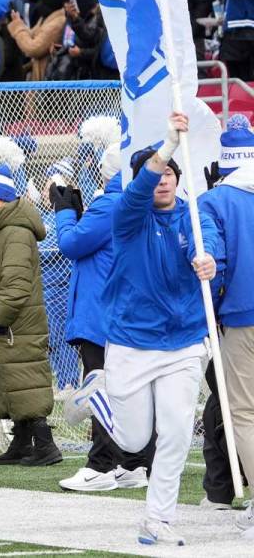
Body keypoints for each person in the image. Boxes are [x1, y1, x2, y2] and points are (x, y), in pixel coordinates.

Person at [65, 111, 220, 546]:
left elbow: (210, 241)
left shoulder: (194, 215)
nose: (166, 178)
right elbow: (137, 194)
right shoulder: (127, 217)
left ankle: (158, 518)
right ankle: (99, 389)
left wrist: (210, 262)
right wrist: (167, 145)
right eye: (158, 173)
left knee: (174, 433)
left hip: (185, 342)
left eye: (172, 172)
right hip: (132, 340)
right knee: (133, 442)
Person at [51, 147, 151, 491]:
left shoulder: (112, 202)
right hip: (124, 308)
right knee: (129, 388)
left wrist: (64, 213)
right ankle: (135, 463)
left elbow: (72, 243)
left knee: (102, 387)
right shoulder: (136, 199)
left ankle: (102, 465)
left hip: (102, 310)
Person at [0, 164, 62, 467]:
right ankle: (22, 443)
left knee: (24, 381)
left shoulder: (15, 232)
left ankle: (46, 446)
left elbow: (17, 282)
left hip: (14, 324)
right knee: (13, 381)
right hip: (4, 324)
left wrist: (0, 317)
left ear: (5, 200)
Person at [200, 120, 254, 536]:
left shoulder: (215, 200)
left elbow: (213, 263)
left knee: (244, 412)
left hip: (242, 315)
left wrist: (212, 310)